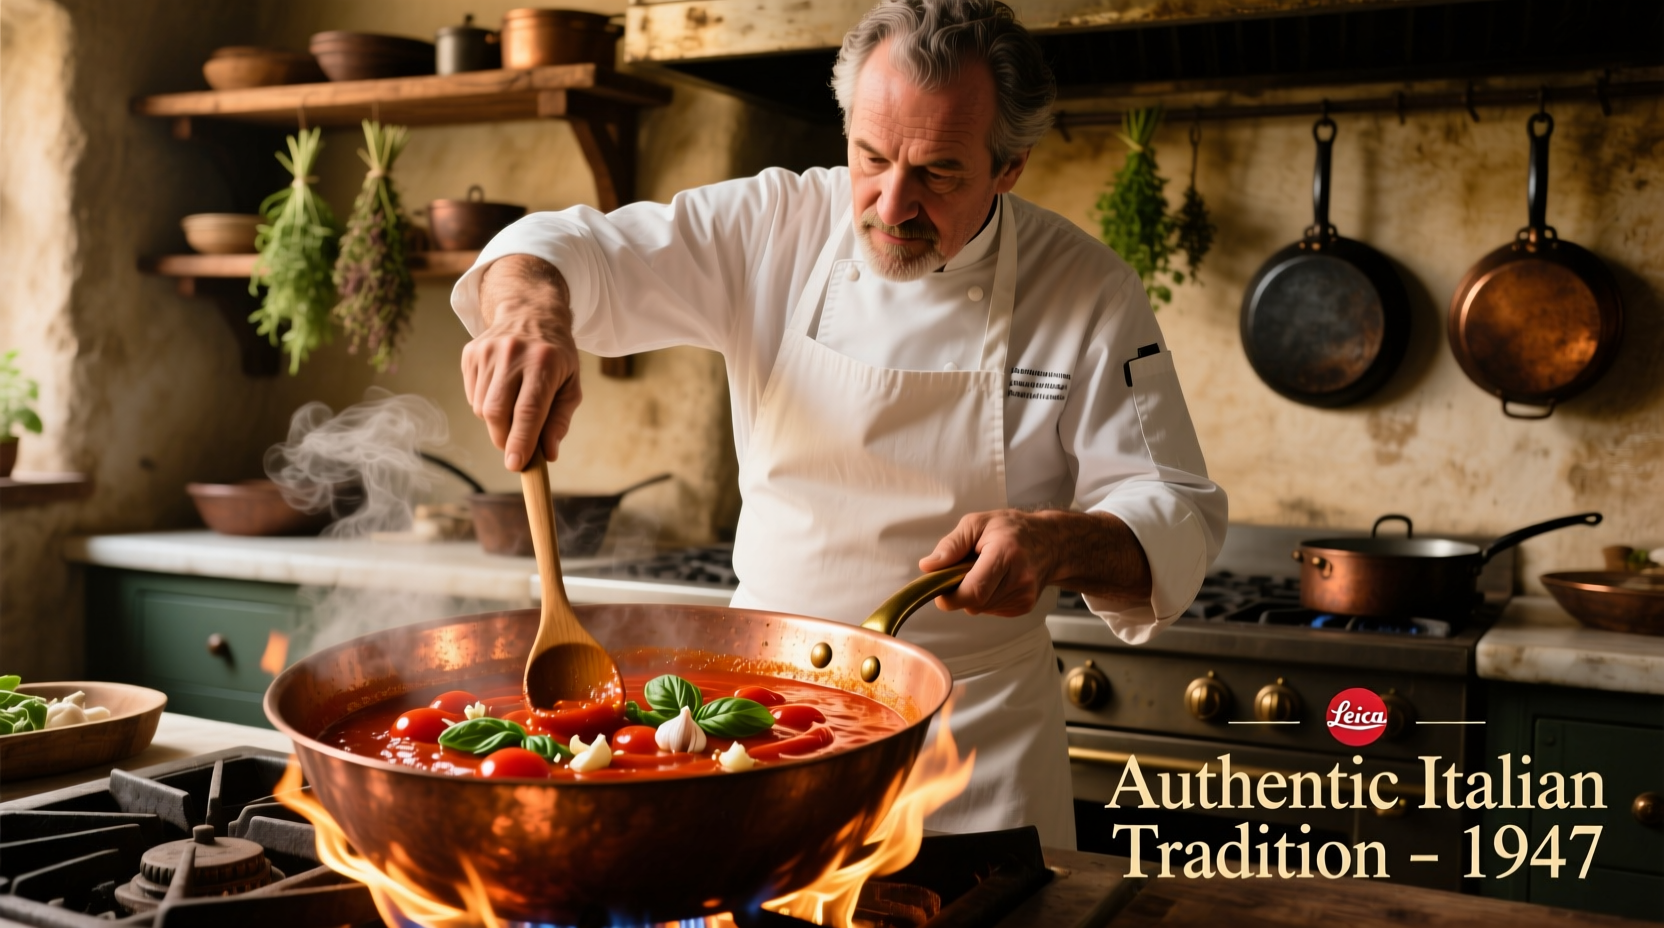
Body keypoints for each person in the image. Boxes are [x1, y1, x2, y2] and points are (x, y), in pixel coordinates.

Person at [453, 0, 1226, 849]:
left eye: (938, 173)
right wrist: (528, 314)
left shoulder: (1088, 291)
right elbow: (561, 244)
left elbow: (1175, 509)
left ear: (1009, 167)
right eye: (870, 157)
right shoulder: (772, 225)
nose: (892, 205)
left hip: (973, 749)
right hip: (758, 724)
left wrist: (1060, 542)